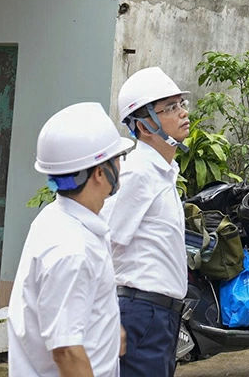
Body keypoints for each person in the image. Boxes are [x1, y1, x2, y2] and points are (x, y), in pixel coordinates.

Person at [8, 102, 135, 377]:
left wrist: (111, 330)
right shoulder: (72, 250)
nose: (120, 167)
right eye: (117, 159)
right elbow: (66, 351)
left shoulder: (58, 220)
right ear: (100, 172)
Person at [104, 67, 192, 377]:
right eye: (170, 108)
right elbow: (101, 244)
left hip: (161, 316)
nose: (182, 113)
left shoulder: (163, 173)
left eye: (181, 104)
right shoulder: (137, 174)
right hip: (140, 315)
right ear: (143, 125)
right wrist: (106, 318)